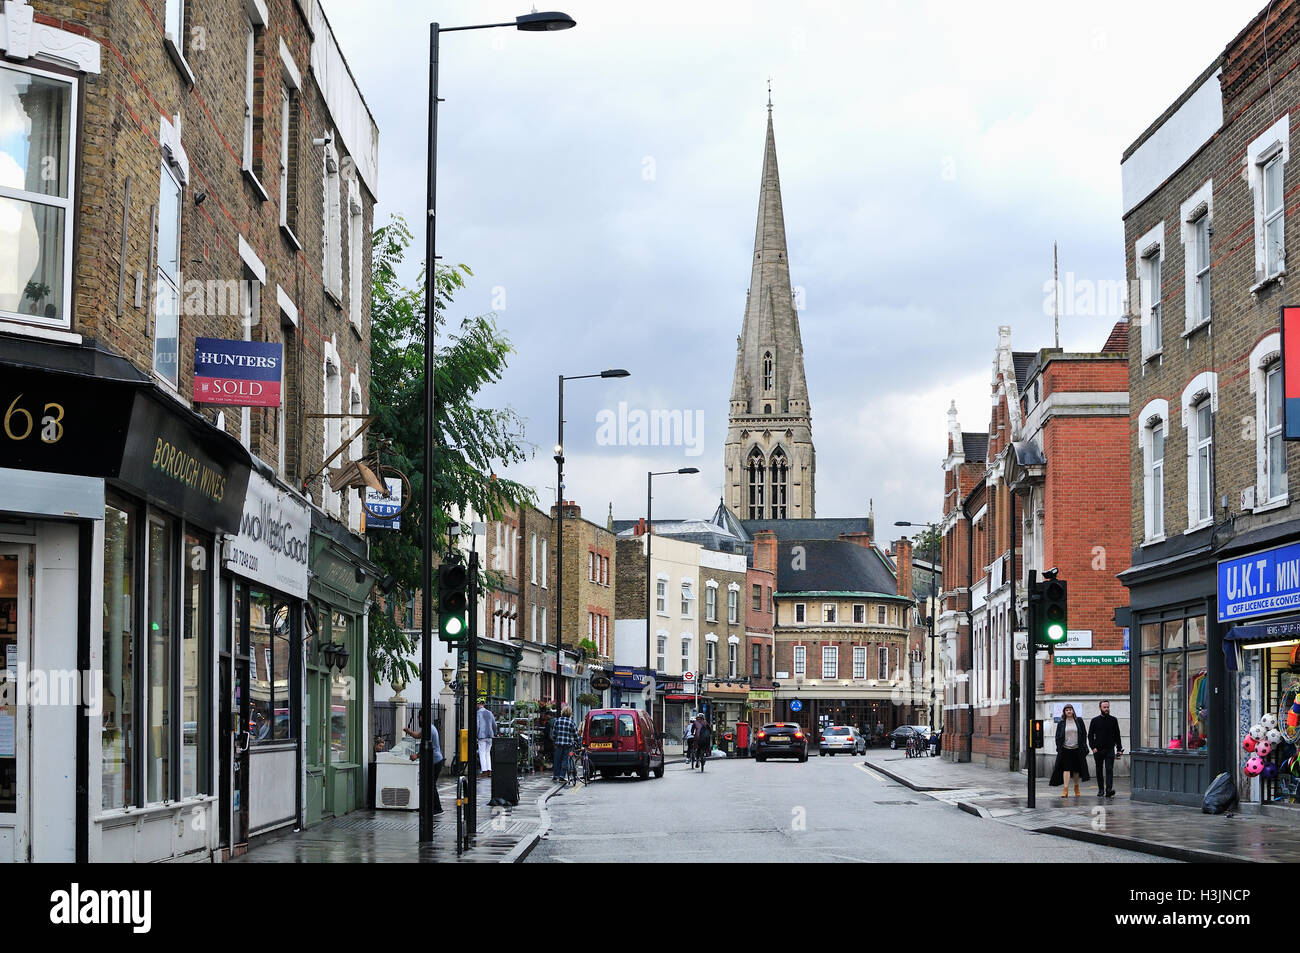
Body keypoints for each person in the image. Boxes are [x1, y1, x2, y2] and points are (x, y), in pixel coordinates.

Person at [405, 710, 444, 813]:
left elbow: (426, 747)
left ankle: (437, 808)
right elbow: (418, 736)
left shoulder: (428, 729)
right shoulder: (429, 727)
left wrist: (416, 756)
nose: (418, 719)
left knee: (430, 785)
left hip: (434, 761)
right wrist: (408, 731)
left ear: (422, 717)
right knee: (428, 784)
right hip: (436, 760)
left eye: (419, 717)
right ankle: (428, 806)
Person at [1049, 704, 1091, 798]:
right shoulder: (1061, 723)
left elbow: (1084, 734)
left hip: (1077, 749)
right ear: (1064, 712)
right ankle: (1065, 789)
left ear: (1073, 711)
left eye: (1070, 709)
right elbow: (1057, 736)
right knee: (1066, 769)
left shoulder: (1079, 721)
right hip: (1065, 749)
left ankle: (1076, 787)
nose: (1069, 711)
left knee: (1076, 770)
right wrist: (1059, 747)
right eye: (1067, 710)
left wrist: (1084, 745)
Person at [1088, 699, 1124, 798]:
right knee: (1099, 770)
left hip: (1110, 749)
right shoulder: (1094, 721)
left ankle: (1108, 790)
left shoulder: (1113, 720)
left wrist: (1119, 749)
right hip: (1098, 750)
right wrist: (1093, 747)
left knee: (1109, 769)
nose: (1106, 709)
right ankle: (1101, 790)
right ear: (1100, 708)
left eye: (1108, 707)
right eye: (1104, 707)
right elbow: (1090, 735)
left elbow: (1117, 735)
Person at [551, 706, 579, 782]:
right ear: (570, 713)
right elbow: (575, 735)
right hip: (568, 745)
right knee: (565, 760)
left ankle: (555, 775)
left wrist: (555, 739)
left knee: (557, 760)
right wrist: (578, 743)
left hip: (558, 744)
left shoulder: (557, 721)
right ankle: (561, 776)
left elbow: (553, 733)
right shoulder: (571, 722)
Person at [476, 699, 497, 778]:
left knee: (482, 753)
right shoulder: (490, 713)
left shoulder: (478, 713)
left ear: (478, 704)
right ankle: (489, 770)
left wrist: (476, 735)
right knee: (487, 753)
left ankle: (484, 771)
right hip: (490, 736)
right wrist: (494, 733)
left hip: (482, 735)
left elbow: (477, 725)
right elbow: (494, 725)